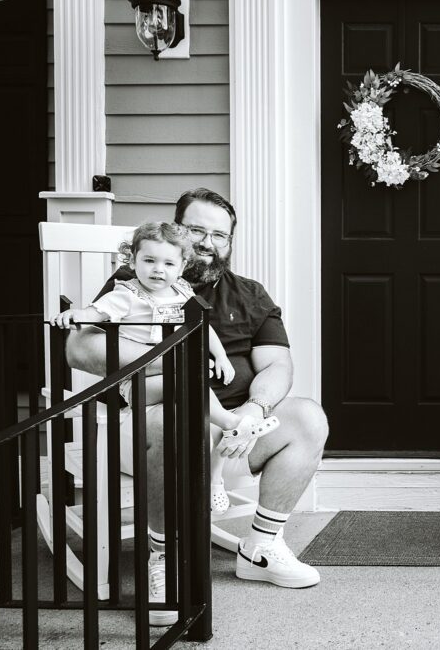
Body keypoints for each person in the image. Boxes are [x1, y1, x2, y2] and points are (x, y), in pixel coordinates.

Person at [66, 188, 329, 625]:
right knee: (176, 423)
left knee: (307, 417)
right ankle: (163, 559)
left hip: (236, 430)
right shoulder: (132, 285)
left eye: (219, 235)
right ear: (176, 234)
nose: (208, 242)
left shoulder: (250, 295)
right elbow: (79, 348)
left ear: (229, 243)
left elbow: (278, 365)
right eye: (196, 230)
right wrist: (172, 358)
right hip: (154, 417)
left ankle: (261, 546)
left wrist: (256, 409)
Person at [50, 221, 281, 518]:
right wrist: (76, 314)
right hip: (137, 384)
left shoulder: (181, 292)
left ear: (182, 266)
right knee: (194, 387)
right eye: (149, 261)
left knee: (202, 408)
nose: (158, 270)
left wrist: (221, 357)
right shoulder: (126, 294)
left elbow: (203, 327)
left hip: (176, 382)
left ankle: (215, 477)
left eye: (168, 263)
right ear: (132, 261)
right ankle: (234, 423)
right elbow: (97, 312)